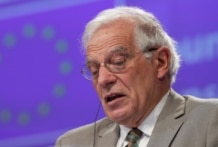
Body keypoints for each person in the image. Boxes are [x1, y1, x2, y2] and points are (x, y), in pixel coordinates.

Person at [55, 6, 218, 147]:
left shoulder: (210, 120)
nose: (104, 79)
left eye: (118, 62)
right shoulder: (72, 143)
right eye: (94, 70)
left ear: (160, 62)